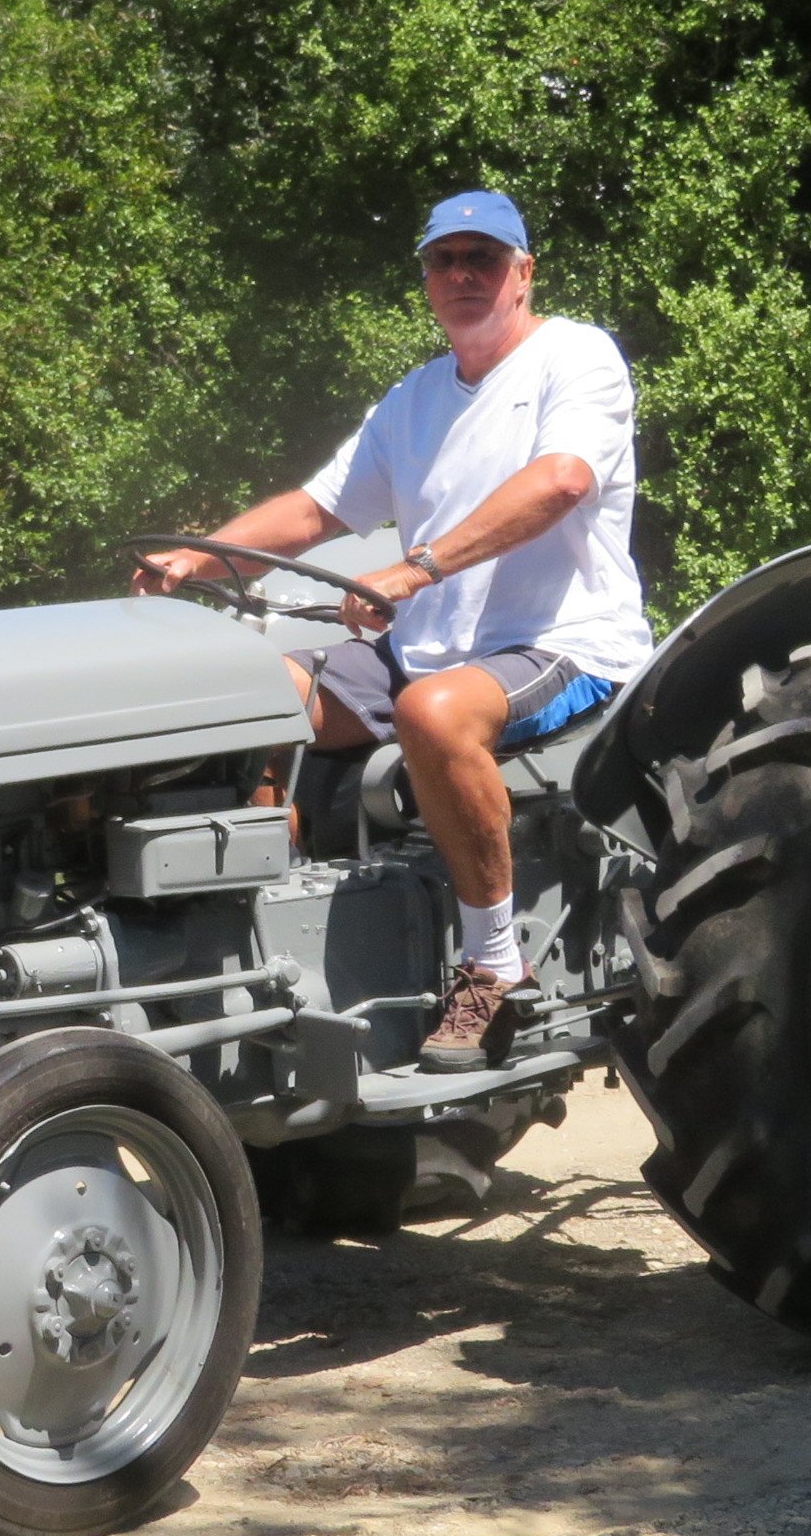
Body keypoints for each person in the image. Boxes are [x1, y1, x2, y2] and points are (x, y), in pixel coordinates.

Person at [135, 188, 653, 1071]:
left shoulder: (576, 357)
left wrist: (414, 569)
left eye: (482, 259)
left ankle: (493, 963)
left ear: (523, 273)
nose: (462, 275)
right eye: (444, 260)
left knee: (435, 716)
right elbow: (316, 509)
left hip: (563, 642)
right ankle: (253, 954)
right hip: (422, 652)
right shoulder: (413, 399)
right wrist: (200, 559)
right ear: (425, 278)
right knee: (251, 705)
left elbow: (562, 481)